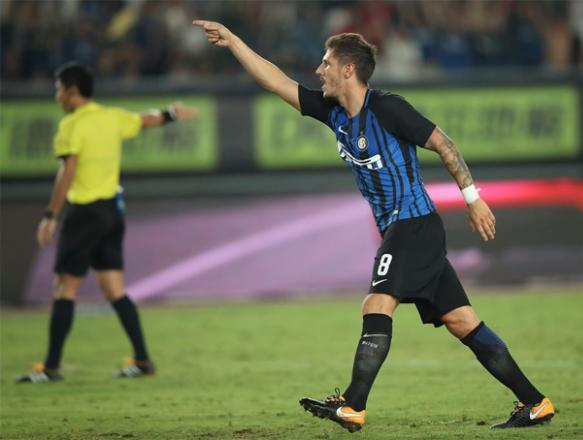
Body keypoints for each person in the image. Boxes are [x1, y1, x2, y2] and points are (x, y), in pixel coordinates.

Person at [193, 20, 555, 431]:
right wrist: (236, 42)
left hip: (414, 225)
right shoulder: (334, 113)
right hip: (406, 231)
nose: (318, 70)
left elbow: (444, 144)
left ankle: (352, 404)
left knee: (376, 304)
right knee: (462, 321)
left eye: (326, 62)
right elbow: (276, 81)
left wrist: (473, 200)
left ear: (349, 69)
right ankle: (535, 402)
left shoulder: (387, 108)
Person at [16, 62, 198, 383]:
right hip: (112, 213)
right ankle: (142, 359)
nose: (57, 96)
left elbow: (68, 171)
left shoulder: (71, 125)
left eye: (59, 89)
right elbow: (146, 120)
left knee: (64, 288)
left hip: (84, 212)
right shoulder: (110, 116)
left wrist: (50, 215)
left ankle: (50, 367)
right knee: (114, 289)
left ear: (72, 91)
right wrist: (171, 112)